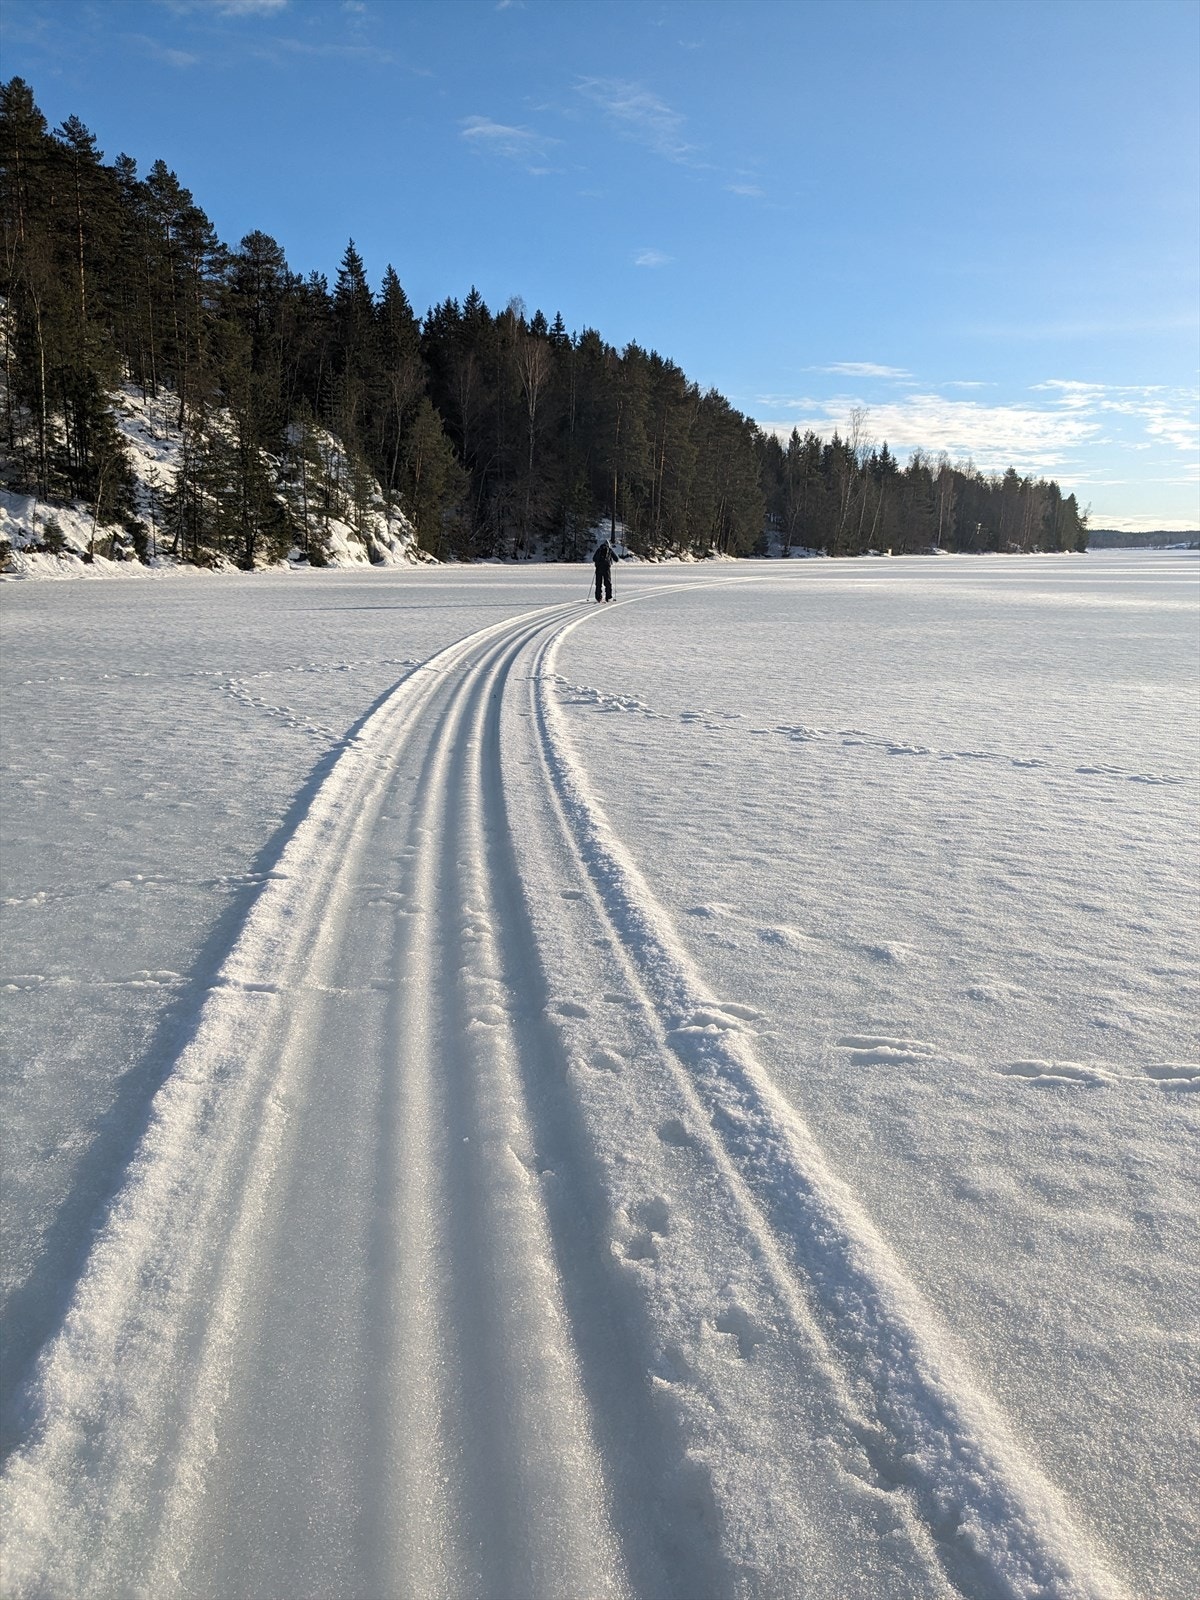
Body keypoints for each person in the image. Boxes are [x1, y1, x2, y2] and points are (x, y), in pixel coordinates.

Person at [593, 537, 616, 602]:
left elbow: (594, 558)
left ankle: (598, 597)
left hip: (598, 568)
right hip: (606, 568)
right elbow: (616, 559)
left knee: (598, 583)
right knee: (607, 583)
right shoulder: (609, 550)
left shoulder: (599, 550)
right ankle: (608, 597)